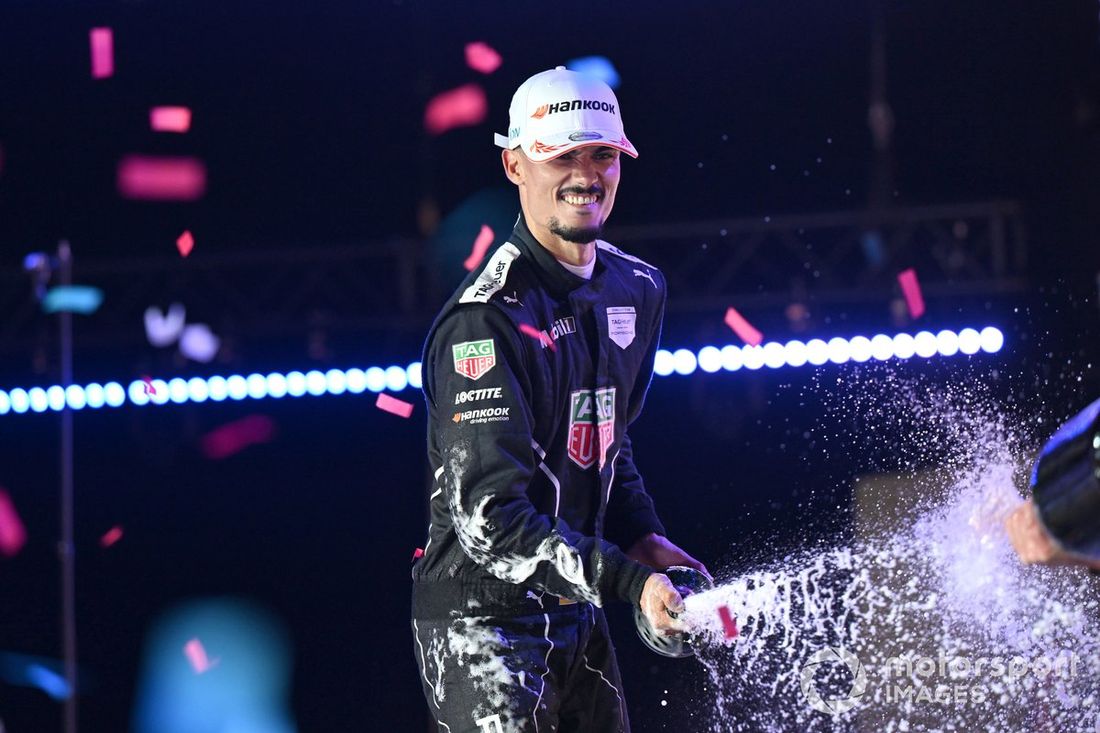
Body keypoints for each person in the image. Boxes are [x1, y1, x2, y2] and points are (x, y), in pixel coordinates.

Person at [410, 66, 709, 733]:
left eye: (601, 153)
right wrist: (632, 581)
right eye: (560, 156)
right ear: (515, 165)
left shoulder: (639, 288)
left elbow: (607, 439)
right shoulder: (483, 323)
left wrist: (646, 537)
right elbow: (492, 521)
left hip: (576, 606)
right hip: (481, 621)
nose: (584, 174)